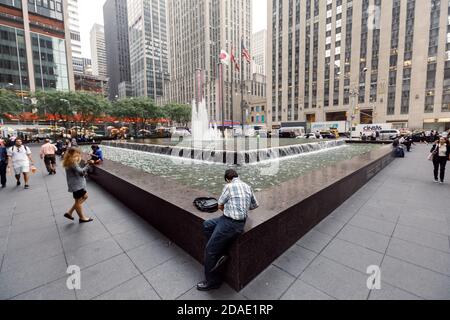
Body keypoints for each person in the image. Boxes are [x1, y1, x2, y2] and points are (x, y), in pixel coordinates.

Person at [197, 169, 259, 291]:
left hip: (230, 223)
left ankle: (212, 282)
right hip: (237, 222)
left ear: (227, 179)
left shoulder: (228, 186)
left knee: (209, 250)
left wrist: (229, 209)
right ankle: (219, 249)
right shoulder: (247, 186)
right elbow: (255, 205)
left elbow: (219, 205)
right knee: (207, 224)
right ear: (237, 176)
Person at [62, 148, 94, 223]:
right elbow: (81, 171)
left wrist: (85, 163)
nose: (79, 155)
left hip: (76, 184)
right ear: (74, 153)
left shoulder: (69, 160)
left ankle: (69, 212)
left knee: (84, 197)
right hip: (77, 185)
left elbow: (77, 170)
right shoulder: (72, 162)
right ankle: (82, 218)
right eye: (78, 153)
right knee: (78, 201)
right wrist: (89, 164)